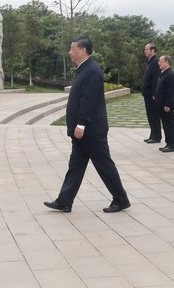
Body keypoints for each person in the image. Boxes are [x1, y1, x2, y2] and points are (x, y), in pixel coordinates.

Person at [44, 35, 130, 214]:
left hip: (90, 130)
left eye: (72, 48)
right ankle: (64, 201)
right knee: (75, 165)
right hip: (82, 130)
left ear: (83, 50)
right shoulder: (83, 69)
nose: (70, 52)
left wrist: (81, 124)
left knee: (104, 164)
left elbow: (88, 100)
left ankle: (121, 199)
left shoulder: (91, 70)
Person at [155, 55, 174, 150]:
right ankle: (168, 143)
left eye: (161, 61)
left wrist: (168, 104)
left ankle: (172, 145)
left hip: (166, 105)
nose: (159, 63)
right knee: (165, 124)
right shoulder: (163, 73)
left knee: (169, 124)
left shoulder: (170, 75)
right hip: (161, 104)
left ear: (167, 62)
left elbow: (170, 91)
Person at [141, 43, 161, 143]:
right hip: (147, 94)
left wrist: (154, 93)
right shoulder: (150, 62)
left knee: (154, 115)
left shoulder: (155, 62)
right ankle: (152, 134)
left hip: (152, 94)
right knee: (150, 115)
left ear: (153, 50)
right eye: (145, 49)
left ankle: (156, 136)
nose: (145, 51)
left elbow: (155, 79)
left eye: (147, 49)